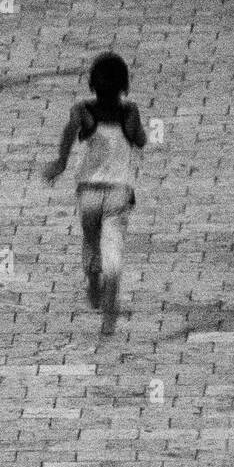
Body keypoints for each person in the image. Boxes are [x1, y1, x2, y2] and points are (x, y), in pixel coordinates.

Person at [44, 52, 148, 330]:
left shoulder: (82, 111)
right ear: (124, 85)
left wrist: (60, 164)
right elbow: (140, 140)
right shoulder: (130, 112)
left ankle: (93, 279)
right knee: (113, 242)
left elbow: (68, 134)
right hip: (118, 190)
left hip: (88, 190)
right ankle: (112, 285)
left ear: (92, 83)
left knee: (91, 238)